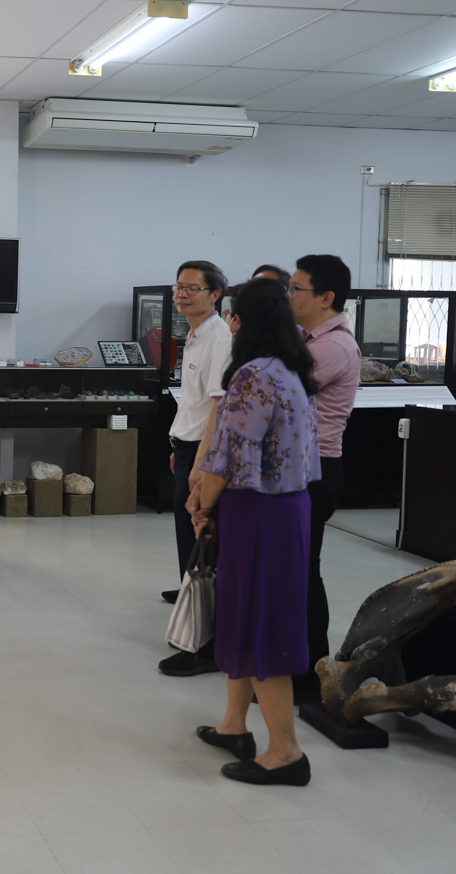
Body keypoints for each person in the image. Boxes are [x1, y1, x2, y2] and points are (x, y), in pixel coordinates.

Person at [189, 278, 320, 787]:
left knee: (263, 624)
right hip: (284, 508)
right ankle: (233, 725)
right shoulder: (290, 370)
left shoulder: (253, 374)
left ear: (238, 321)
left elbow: (228, 456)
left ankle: (286, 752)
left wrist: (203, 505)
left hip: (259, 511)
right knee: (244, 616)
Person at [288, 255, 360, 703]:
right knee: (293, 571)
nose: (290, 296)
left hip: (315, 470)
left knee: (303, 573)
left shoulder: (332, 347)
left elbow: (278, 394)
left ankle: (310, 673)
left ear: (325, 297)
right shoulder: (308, 339)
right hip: (299, 466)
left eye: (296, 289)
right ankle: (296, 665)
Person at [159, 261, 231, 678]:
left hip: (202, 451)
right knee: (186, 532)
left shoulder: (218, 337)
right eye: (179, 288)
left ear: (215, 295)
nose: (182, 295)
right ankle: (189, 598)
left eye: (192, 288)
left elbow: (219, 404)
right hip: (187, 444)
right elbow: (193, 400)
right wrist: (178, 441)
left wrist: (203, 459)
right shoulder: (195, 334)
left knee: (199, 534)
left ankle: (203, 637)